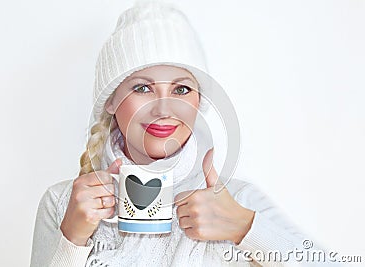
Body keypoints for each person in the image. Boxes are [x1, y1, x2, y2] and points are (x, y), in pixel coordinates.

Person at [31, 1, 333, 266]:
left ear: (198, 102)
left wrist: (246, 229)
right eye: (142, 87)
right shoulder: (64, 204)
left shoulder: (236, 202)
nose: (164, 109)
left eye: (181, 89)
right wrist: (71, 240)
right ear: (110, 101)